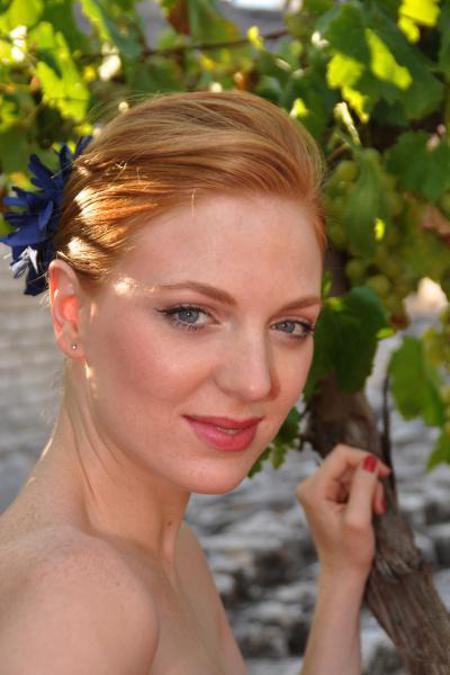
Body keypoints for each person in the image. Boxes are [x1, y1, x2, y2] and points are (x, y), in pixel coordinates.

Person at [0, 90, 389, 674]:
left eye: (290, 325)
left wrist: (342, 575)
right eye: (189, 314)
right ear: (70, 311)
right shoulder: (77, 594)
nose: (255, 382)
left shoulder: (171, 553)